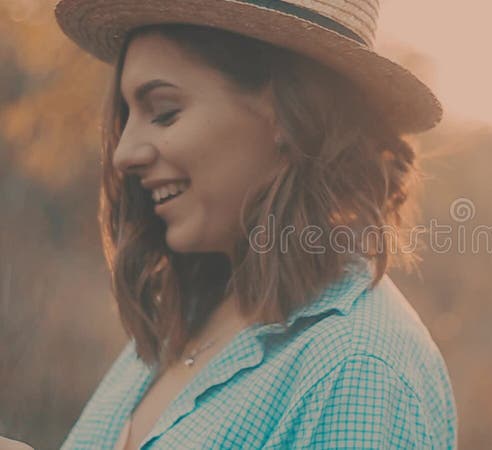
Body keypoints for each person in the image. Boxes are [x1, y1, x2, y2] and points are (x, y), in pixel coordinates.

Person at [6, 1, 458, 449]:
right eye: (127, 118)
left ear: (287, 112)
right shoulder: (184, 322)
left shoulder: (357, 370)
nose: (124, 153)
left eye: (164, 112)